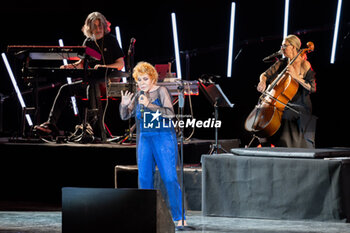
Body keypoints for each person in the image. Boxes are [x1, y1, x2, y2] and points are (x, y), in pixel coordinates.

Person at [34, 12, 124, 137]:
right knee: (65, 89)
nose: (98, 29)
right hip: (91, 83)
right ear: (89, 28)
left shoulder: (111, 40)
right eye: (95, 26)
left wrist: (104, 67)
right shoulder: (88, 42)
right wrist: (70, 66)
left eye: (100, 26)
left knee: (92, 85)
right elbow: (82, 64)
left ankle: (90, 125)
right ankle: (50, 124)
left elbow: (120, 63)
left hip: (108, 83)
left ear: (104, 26)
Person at [119, 61, 186, 226]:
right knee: (144, 178)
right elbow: (124, 116)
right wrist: (124, 105)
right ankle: (145, 215)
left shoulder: (161, 91)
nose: (141, 83)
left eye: (145, 79)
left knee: (169, 178)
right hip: (145, 139)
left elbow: (170, 114)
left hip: (163, 138)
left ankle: (179, 217)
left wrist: (149, 105)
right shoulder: (137, 95)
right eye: (139, 80)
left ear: (153, 79)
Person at [256, 34, 317, 148]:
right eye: (282, 46)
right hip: (285, 102)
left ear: (293, 47)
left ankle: (282, 147)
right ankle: (266, 145)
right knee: (263, 112)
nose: (282, 48)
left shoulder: (305, 64)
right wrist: (263, 81)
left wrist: (296, 77)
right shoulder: (283, 63)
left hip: (300, 104)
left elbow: (312, 88)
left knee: (283, 115)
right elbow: (264, 74)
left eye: (284, 45)